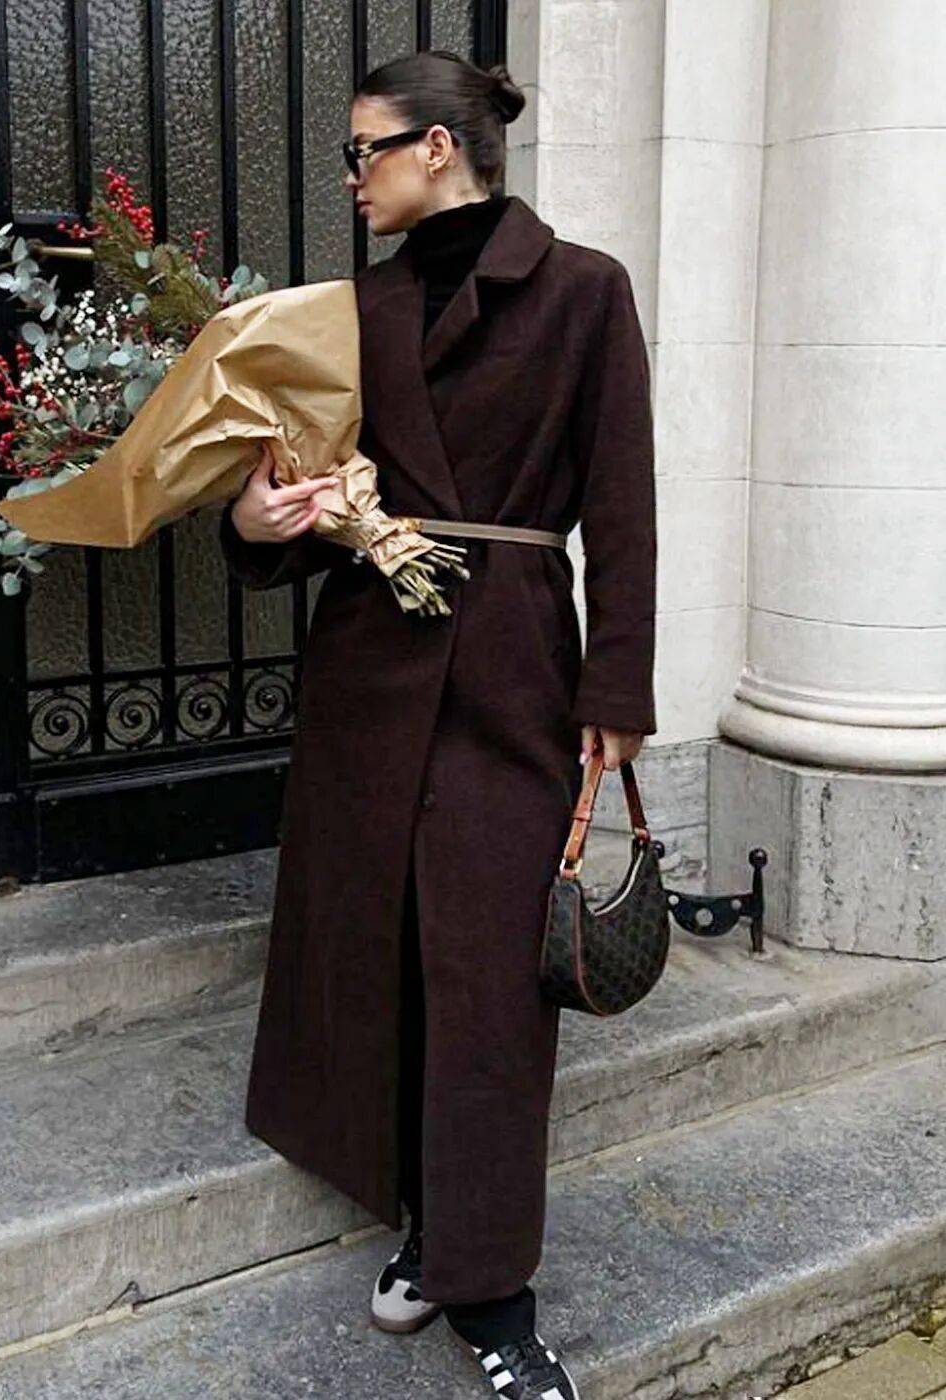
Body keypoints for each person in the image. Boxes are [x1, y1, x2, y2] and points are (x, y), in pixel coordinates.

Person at [220, 48, 656, 1400]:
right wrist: (259, 522)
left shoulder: (584, 290)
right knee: (379, 951)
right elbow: (292, 493)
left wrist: (617, 693)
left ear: (437, 148)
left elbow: (624, 504)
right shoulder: (346, 311)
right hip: (368, 668)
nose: (351, 177)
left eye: (365, 150)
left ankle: (492, 1291)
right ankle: (417, 1215)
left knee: (490, 981)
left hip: (515, 672)